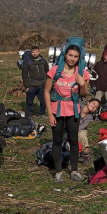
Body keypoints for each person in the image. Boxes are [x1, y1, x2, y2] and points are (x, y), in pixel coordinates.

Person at [44, 44, 90, 183]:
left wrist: (82, 83)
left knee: (74, 141)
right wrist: (50, 114)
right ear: (65, 55)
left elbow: (84, 95)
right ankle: (58, 171)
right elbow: (46, 91)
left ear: (79, 58)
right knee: (57, 141)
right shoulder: (54, 71)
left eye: (76, 56)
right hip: (56, 110)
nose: (72, 59)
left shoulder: (82, 72)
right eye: (70, 55)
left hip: (73, 111)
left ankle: (74, 171)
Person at [22, 46, 48, 118]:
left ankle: (42, 113)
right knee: (29, 101)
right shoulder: (28, 62)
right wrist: (26, 86)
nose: (35, 53)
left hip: (42, 85)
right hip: (31, 85)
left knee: (43, 100)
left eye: (36, 52)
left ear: (39, 52)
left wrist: (47, 83)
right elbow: (24, 74)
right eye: (33, 52)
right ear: (31, 52)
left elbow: (47, 72)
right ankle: (29, 114)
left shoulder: (43, 61)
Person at [78, 98, 100, 163]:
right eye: (93, 104)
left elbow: (82, 126)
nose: (94, 106)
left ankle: (86, 153)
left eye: (96, 107)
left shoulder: (89, 117)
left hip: (80, 129)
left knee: (81, 134)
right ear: (88, 102)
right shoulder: (78, 107)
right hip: (68, 126)